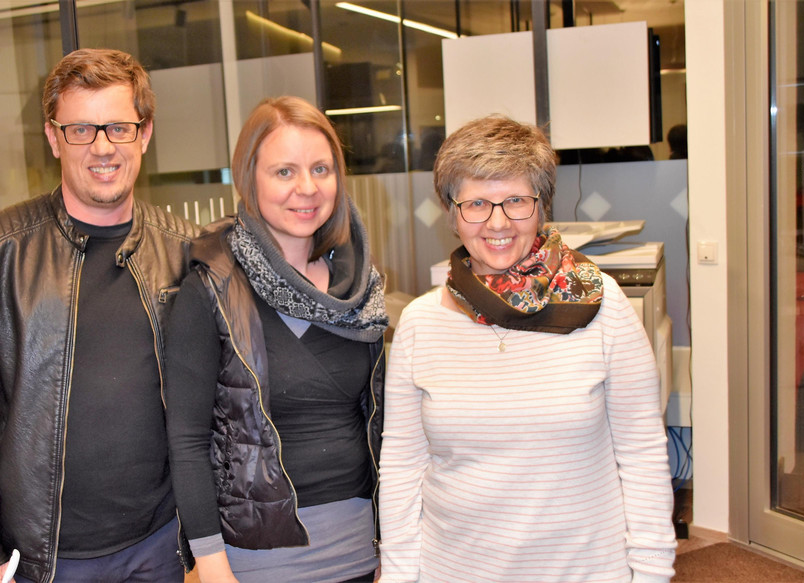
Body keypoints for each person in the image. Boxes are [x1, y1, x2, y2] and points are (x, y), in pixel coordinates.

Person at [0, 48, 199, 583]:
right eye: (80, 130)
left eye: (119, 127)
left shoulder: (186, 250)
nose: (102, 147)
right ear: (53, 138)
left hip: (159, 545)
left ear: (144, 134)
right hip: (42, 559)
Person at [378, 114, 676, 583]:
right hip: (453, 570)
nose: (497, 222)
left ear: (541, 207)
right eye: (476, 203)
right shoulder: (420, 323)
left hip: (584, 571)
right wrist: (399, 574)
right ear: (452, 214)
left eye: (516, 200)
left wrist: (653, 571)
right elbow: (402, 465)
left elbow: (641, 453)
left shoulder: (604, 306)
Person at [164, 96, 389, 583]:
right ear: (250, 179)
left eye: (320, 169)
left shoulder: (361, 290)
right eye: (284, 171)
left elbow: (380, 425)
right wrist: (211, 564)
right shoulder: (211, 289)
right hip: (259, 561)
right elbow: (186, 440)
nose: (307, 188)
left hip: (364, 552)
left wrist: (391, 547)